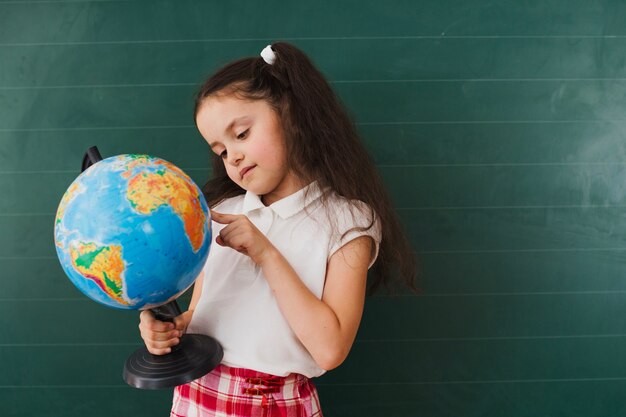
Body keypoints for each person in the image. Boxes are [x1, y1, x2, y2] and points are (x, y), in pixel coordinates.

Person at [139, 41, 417, 417]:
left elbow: (330, 350)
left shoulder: (348, 222)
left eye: (241, 134)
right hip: (195, 398)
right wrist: (170, 331)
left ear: (291, 114)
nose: (232, 157)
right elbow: (201, 316)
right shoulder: (218, 212)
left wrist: (266, 252)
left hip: (274, 403)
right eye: (220, 150)